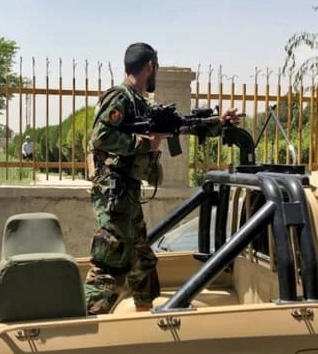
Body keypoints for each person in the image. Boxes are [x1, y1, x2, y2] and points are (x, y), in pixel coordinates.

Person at [83, 42, 241, 315]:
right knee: (111, 262)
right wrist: (145, 143)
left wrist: (218, 122)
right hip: (113, 193)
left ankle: (146, 318)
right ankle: (87, 321)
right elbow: (101, 137)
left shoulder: (140, 103)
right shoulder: (119, 98)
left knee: (142, 262)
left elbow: (180, 124)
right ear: (150, 66)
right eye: (155, 66)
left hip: (127, 193)